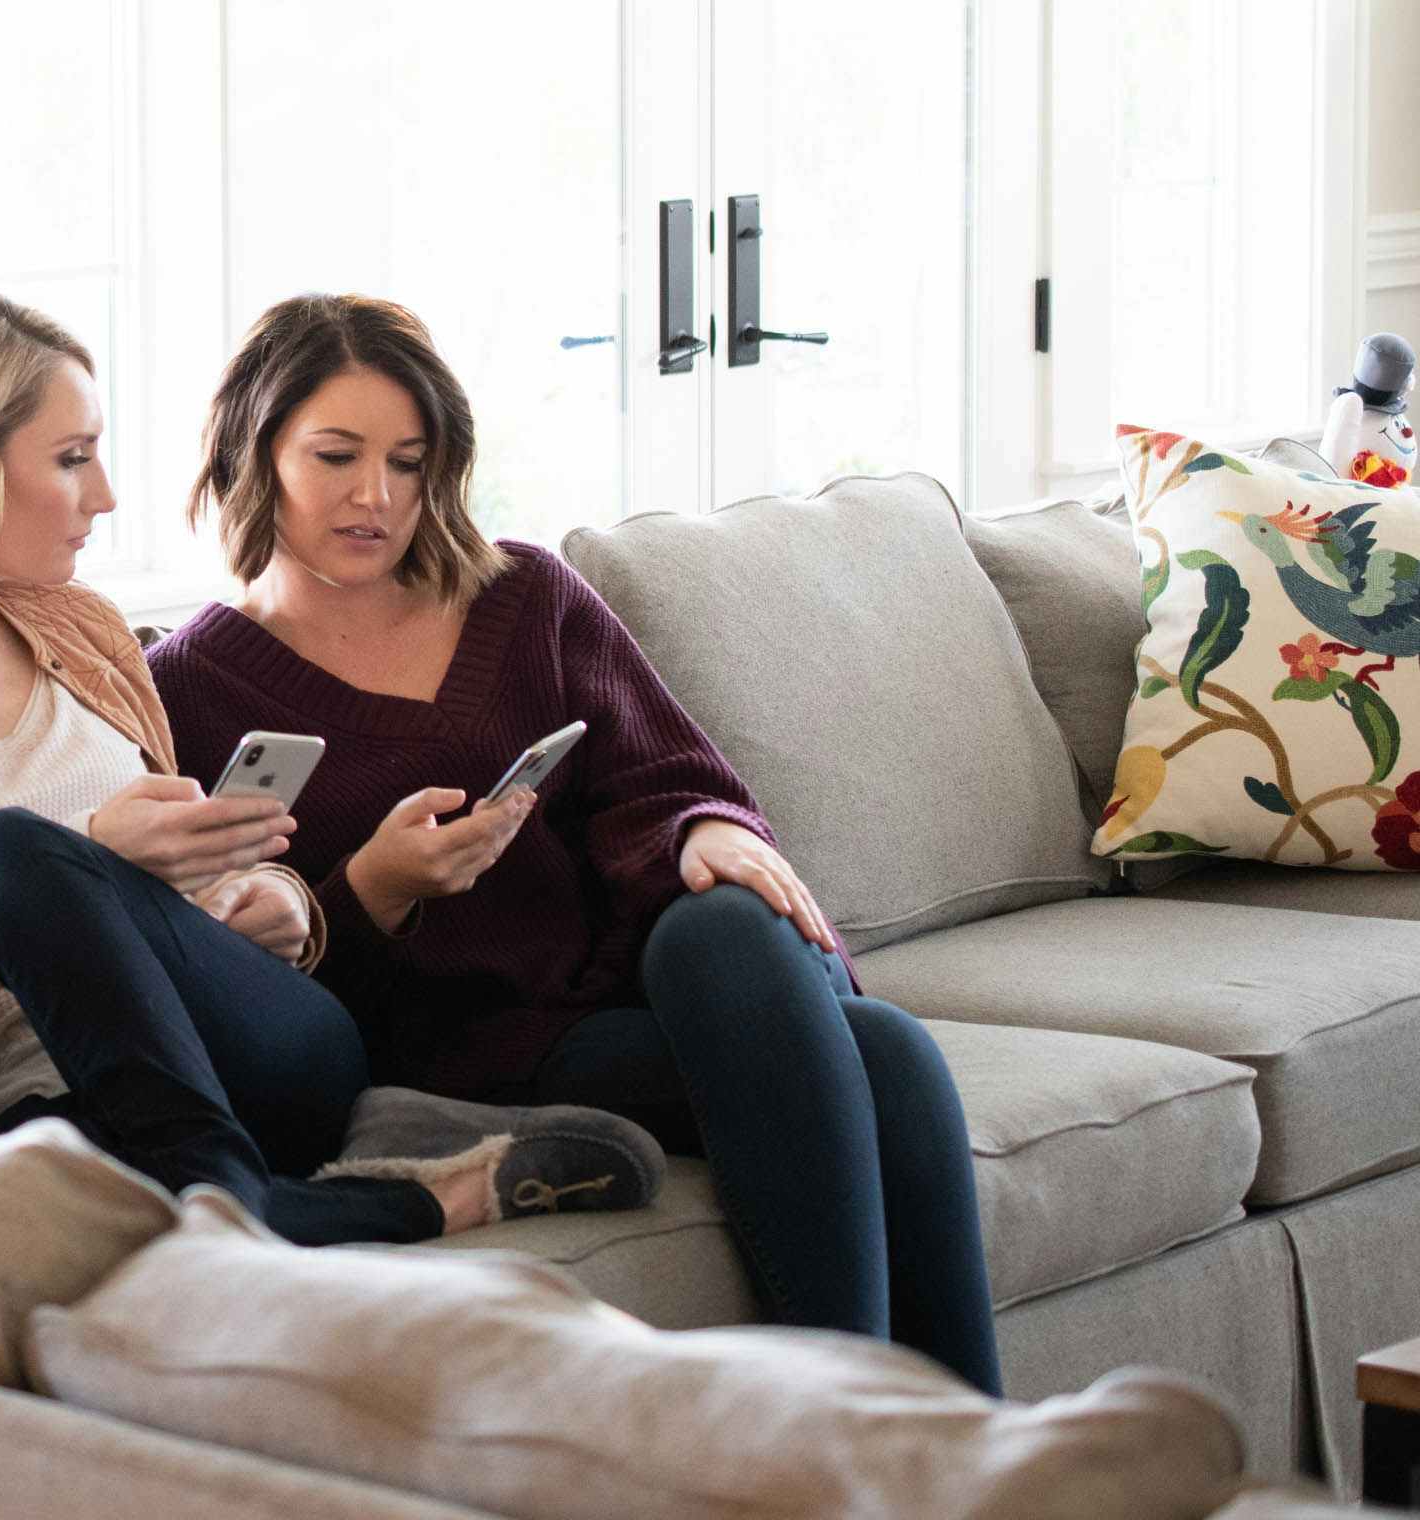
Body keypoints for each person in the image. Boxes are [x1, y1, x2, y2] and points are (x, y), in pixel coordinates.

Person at [0, 287, 662, 1248]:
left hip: (267, 1051)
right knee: (12, 867)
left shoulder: (87, 630)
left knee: (14, 855)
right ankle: (310, 1202)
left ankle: (242, 1202)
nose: (103, 495)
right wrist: (92, 852)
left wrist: (277, 899)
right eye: (71, 459)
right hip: (48, 1103)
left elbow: (207, 858)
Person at [146, 292, 1002, 1390]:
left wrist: (704, 833)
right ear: (251, 451)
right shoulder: (186, 689)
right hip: (464, 1050)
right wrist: (371, 889)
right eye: (337, 455)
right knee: (889, 1056)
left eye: (409, 462)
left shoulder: (525, 594)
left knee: (725, 932)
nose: (376, 495)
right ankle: (879, 1435)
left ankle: (886, 1443)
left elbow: (666, 777)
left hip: (632, 984)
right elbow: (240, 987)